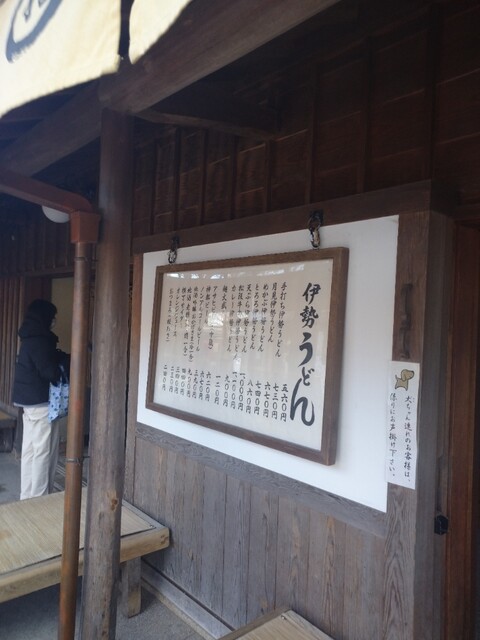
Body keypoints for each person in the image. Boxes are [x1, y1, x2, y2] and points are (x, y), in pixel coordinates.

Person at [12, 299, 70, 499]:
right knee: (43, 452)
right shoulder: (40, 340)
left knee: (30, 450)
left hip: (27, 402)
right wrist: (64, 363)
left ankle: (27, 495)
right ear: (44, 317)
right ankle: (40, 497)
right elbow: (49, 372)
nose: (54, 320)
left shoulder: (28, 337)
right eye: (53, 316)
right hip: (41, 402)